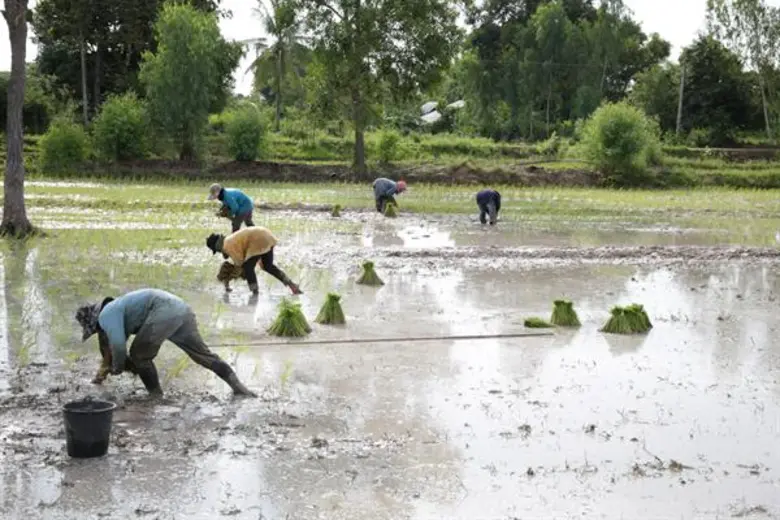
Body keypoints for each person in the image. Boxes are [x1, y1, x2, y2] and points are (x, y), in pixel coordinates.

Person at [75, 288, 257, 398]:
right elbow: (108, 351)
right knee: (203, 356)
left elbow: (119, 348)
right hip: (181, 309)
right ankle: (239, 388)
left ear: (94, 321)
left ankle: (155, 396)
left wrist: (118, 367)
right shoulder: (120, 307)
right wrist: (99, 377)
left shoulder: (107, 315)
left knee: (139, 356)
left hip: (163, 312)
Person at [206, 226, 303, 296]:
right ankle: (292, 285)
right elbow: (244, 259)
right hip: (266, 235)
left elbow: (239, 264)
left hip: (258, 239)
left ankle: (255, 293)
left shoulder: (227, 245)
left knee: (248, 268)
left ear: (217, 247)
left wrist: (227, 279)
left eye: (217, 251)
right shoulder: (230, 240)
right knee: (268, 266)